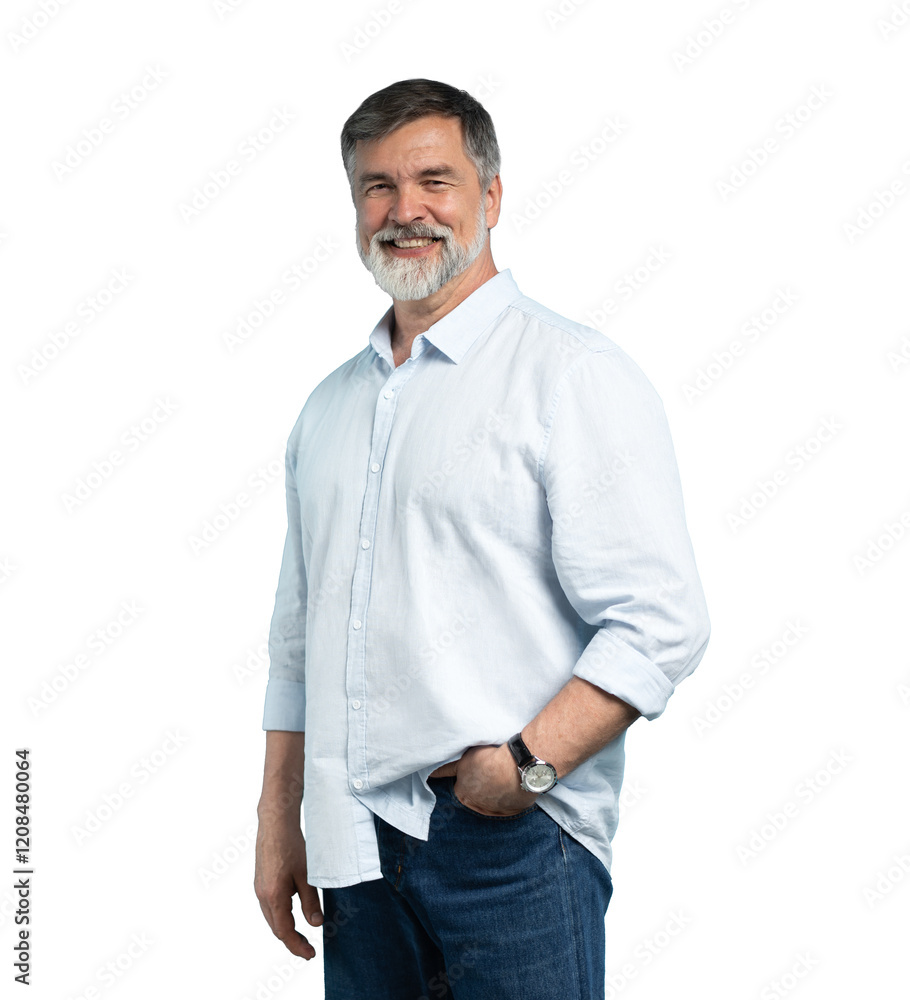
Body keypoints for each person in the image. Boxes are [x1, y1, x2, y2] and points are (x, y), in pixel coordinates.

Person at [254, 78, 710, 1000]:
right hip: (351, 850)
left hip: (509, 839)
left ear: (491, 197)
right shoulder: (328, 409)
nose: (404, 210)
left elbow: (662, 620)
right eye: (377, 186)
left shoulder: (570, 376)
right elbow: (298, 638)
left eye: (435, 180)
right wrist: (279, 818)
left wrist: (526, 767)